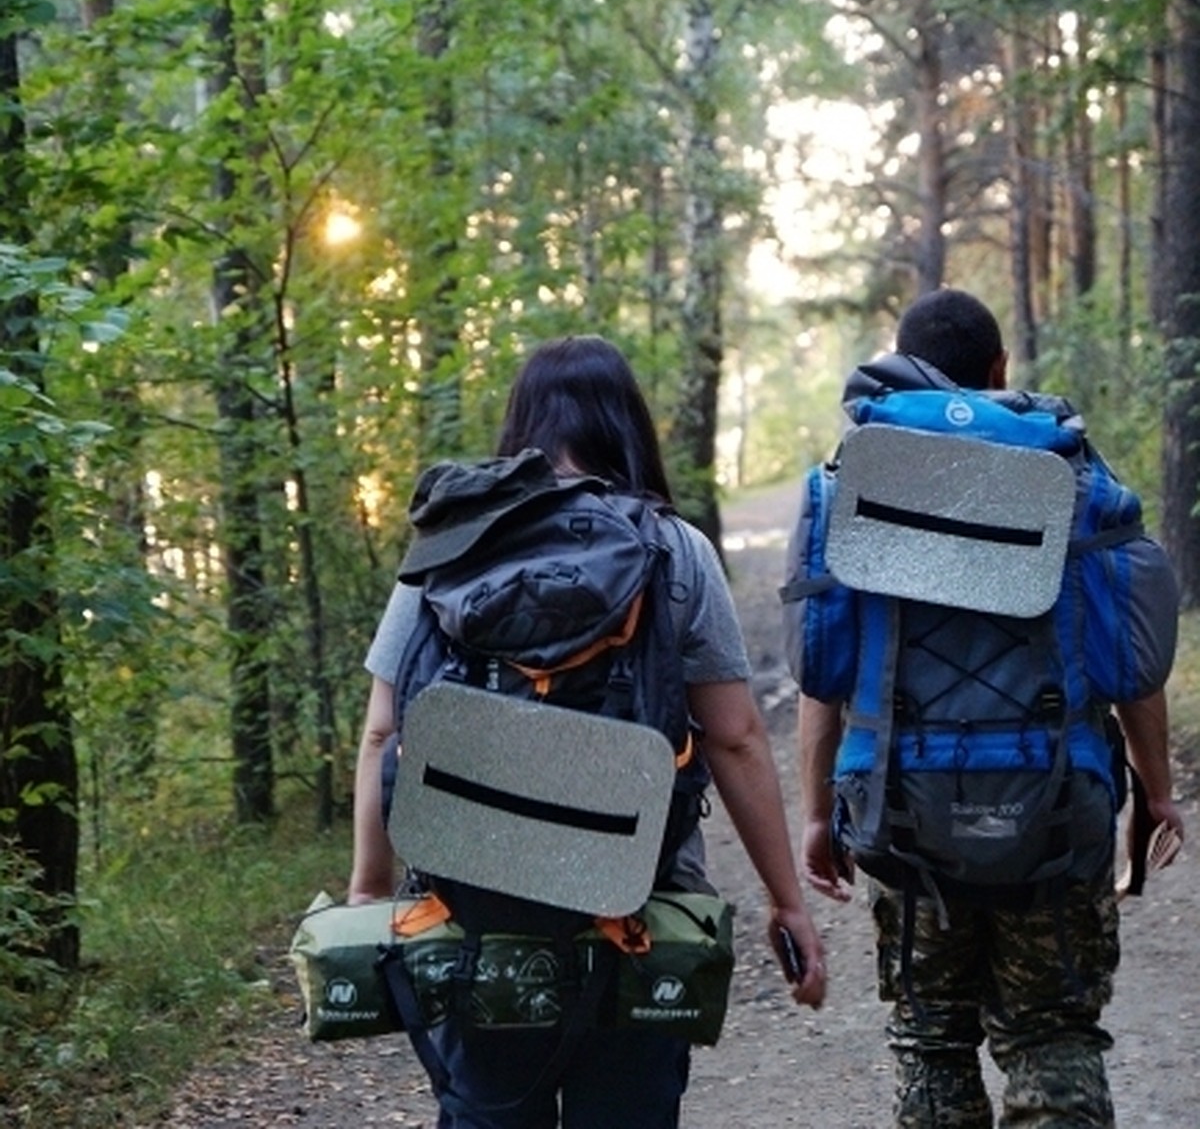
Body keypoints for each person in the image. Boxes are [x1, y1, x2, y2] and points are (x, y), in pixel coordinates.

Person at [350, 334, 827, 1129]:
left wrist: (368, 891)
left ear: (522, 425)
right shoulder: (675, 550)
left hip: (474, 905)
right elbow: (737, 737)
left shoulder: (451, 544)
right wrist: (789, 904)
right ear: (626, 425)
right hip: (635, 908)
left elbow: (381, 732)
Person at [787, 288, 1185, 1128]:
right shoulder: (1072, 473)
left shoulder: (853, 478)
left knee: (931, 1039)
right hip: (1055, 798)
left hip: (901, 804)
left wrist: (817, 812)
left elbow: (825, 666)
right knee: (1053, 1034)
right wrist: (1156, 793)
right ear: (1000, 370)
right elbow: (1130, 662)